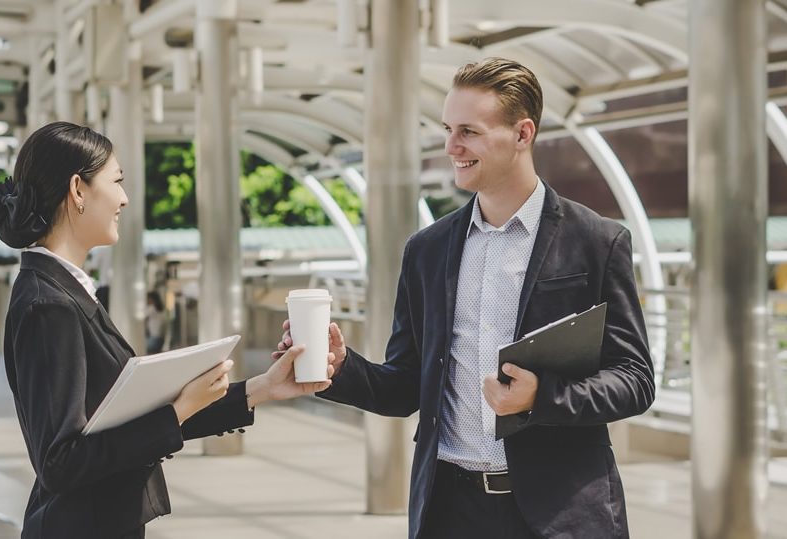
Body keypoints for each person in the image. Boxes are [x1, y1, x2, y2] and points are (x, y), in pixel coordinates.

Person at [274, 58, 654, 539]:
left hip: (562, 514)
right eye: (449, 129)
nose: (452, 146)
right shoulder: (426, 251)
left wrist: (543, 397)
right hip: (450, 513)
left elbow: (635, 379)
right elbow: (406, 387)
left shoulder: (598, 241)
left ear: (522, 134)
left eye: (469, 132)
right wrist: (339, 367)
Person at [0, 121, 330, 539]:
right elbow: (60, 463)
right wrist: (178, 410)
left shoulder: (64, 291)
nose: (125, 199)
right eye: (117, 181)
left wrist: (264, 388)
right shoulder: (49, 305)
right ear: (78, 190)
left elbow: (125, 425)